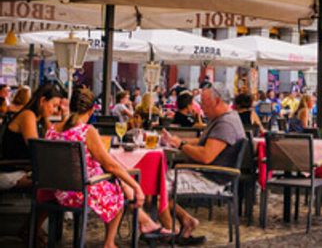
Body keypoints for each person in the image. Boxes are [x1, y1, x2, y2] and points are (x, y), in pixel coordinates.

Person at [47, 87, 173, 248]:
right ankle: (109, 243)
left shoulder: (52, 130)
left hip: (59, 191)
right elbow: (111, 165)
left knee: (115, 183)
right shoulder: (87, 131)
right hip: (81, 192)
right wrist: (137, 187)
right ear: (92, 110)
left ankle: (145, 223)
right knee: (118, 193)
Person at [162, 86, 245, 244]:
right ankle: (186, 221)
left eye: (204, 103)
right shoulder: (223, 118)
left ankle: (170, 234)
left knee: (156, 186)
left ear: (218, 101)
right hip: (209, 175)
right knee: (155, 183)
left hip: (211, 179)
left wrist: (181, 146)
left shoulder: (225, 124)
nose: (200, 107)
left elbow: (206, 156)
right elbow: (204, 142)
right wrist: (177, 141)